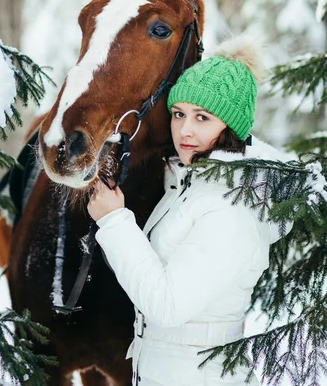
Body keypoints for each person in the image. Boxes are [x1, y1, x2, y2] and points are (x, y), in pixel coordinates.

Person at [87, 35, 294, 386]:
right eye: (179, 114)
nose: (184, 130)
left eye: (203, 118)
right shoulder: (190, 185)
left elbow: (168, 305)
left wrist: (114, 220)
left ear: (230, 128)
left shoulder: (232, 208)